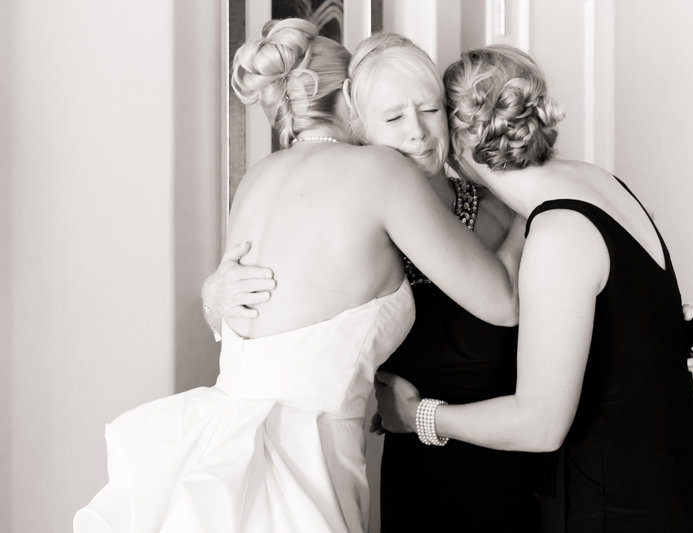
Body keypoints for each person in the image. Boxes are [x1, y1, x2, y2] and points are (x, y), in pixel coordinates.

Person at [203, 33, 693, 533]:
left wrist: (641, 325)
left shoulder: (518, 215)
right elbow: (280, 318)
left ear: (454, 122)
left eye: (429, 110)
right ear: (360, 127)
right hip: (418, 485)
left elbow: (554, 326)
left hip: (532, 483)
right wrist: (213, 297)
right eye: (392, 117)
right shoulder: (359, 218)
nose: (418, 132)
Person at [73, 20, 524, 533]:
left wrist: (208, 297)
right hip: (306, 455)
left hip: (220, 445)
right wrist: (535, 210)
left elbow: (256, 309)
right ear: (352, 100)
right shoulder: (381, 172)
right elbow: (503, 301)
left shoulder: (257, 179)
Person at [375, 45, 693, 532]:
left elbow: (539, 426)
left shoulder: (556, 236)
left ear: (457, 144)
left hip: (629, 505)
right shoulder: (598, 182)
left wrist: (419, 416)